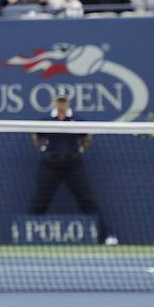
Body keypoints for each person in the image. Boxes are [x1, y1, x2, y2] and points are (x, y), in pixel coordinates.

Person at [28, 94, 118, 245]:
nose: (61, 104)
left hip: (73, 164)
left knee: (86, 200)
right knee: (40, 200)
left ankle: (106, 236)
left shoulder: (78, 121)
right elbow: (36, 137)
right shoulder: (45, 121)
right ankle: (27, 236)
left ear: (68, 103)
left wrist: (79, 150)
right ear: (55, 102)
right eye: (59, 101)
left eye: (64, 101)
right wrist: (44, 150)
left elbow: (87, 139)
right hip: (50, 164)